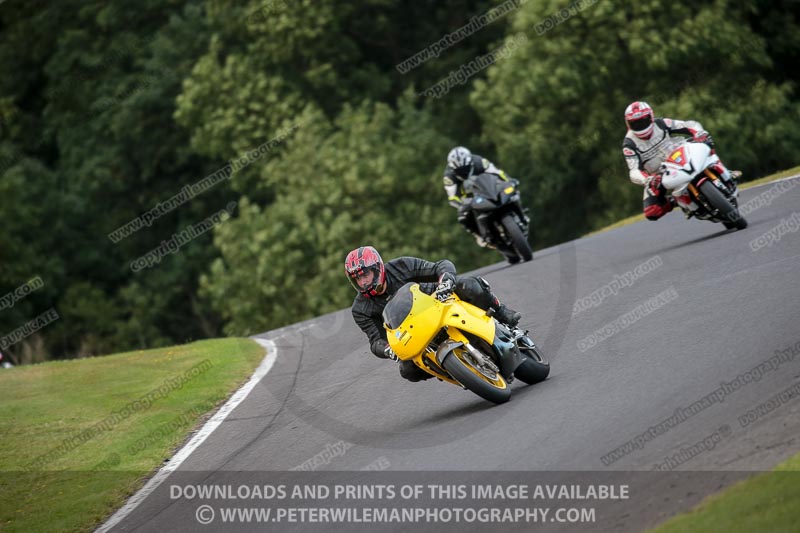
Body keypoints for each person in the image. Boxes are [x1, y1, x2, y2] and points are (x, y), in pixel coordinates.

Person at [345, 245, 522, 382]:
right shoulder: (360, 309)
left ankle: (501, 312)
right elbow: (375, 340)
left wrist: (445, 280)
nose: (363, 281)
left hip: (438, 302)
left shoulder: (400, 266)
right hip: (412, 334)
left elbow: (440, 266)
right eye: (358, 278)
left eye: (365, 274)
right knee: (407, 370)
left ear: (377, 268)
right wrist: (388, 350)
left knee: (470, 285)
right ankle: (453, 371)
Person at [622, 101, 740, 221]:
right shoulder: (629, 144)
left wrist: (699, 133)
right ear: (628, 124)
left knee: (706, 144)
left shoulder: (661, 123)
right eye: (635, 123)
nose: (640, 126)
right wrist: (648, 179)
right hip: (660, 173)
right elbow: (633, 171)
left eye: (643, 121)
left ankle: (725, 171)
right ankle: (676, 200)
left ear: (651, 117)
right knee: (652, 212)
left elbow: (688, 124)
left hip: (680, 153)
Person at [442, 146, 514, 247]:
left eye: (466, 168)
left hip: (488, 188)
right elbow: (452, 196)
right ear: (453, 168)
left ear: (470, 161)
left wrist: (509, 180)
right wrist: (461, 205)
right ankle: (478, 235)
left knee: (511, 190)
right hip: (469, 197)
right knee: (463, 217)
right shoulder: (449, 177)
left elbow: (497, 172)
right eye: (460, 171)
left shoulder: (479, 161)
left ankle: (519, 213)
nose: (464, 172)